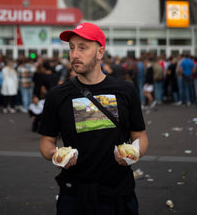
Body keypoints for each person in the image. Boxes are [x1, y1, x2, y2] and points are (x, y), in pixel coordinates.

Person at [39, 22, 148, 215]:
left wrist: (133, 153)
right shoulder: (57, 95)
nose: (74, 55)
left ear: (100, 52)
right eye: (71, 48)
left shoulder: (125, 90)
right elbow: (46, 142)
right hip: (74, 194)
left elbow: (140, 136)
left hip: (119, 193)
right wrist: (55, 155)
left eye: (82, 47)